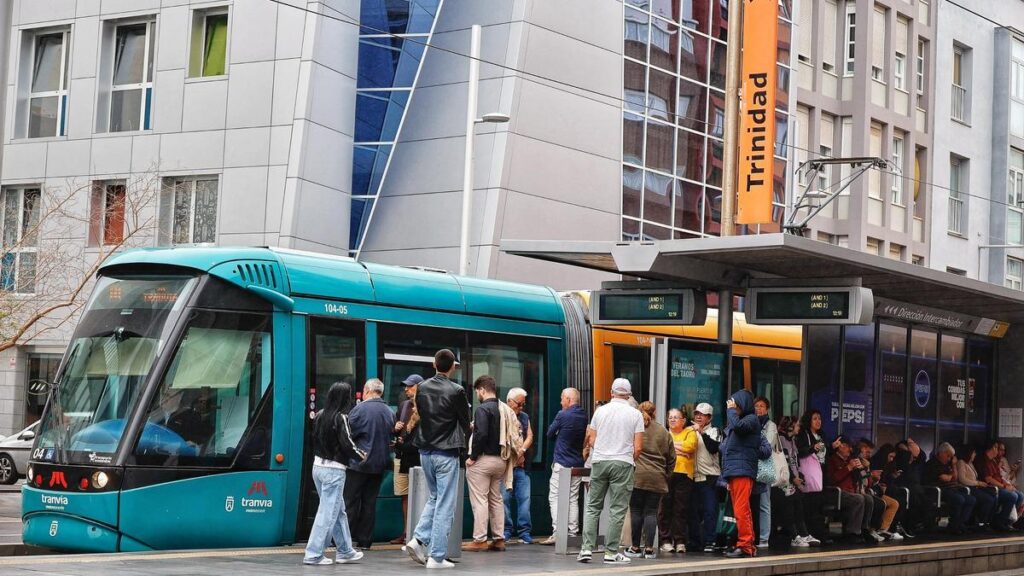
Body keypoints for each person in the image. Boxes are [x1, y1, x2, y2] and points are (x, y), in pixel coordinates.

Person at [404, 349, 471, 570]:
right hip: (446, 452)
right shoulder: (457, 390)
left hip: (425, 452)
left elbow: (420, 414)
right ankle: (437, 556)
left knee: (435, 497)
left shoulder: (421, 387)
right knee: (445, 504)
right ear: (452, 366)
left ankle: (418, 539)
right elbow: (465, 421)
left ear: (434, 364)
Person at [577, 378, 645, 565]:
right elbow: (638, 447)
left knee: (593, 507)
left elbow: (591, 439)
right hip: (623, 462)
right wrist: (628, 459)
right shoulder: (635, 414)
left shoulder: (600, 412)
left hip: (600, 461)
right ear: (629, 395)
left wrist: (602, 450)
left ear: (611, 392)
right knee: (617, 509)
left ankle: (586, 549)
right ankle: (611, 552)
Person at [303, 381, 367, 566]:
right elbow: (347, 443)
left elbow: (313, 440)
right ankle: (314, 554)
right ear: (345, 398)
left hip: (318, 467)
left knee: (337, 511)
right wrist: (360, 455)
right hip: (334, 470)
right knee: (327, 513)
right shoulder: (341, 418)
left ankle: (345, 551)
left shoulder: (320, 415)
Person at [344, 378, 396, 549]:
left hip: (358, 463)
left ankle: (347, 539)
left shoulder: (359, 409)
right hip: (379, 465)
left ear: (367, 390)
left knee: (350, 502)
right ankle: (365, 541)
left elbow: (349, 434)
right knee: (369, 503)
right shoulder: (389, 412)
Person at [464, 375, 509, 552]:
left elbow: (481, 434)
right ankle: (499, 539)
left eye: (477, 392)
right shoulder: (503, 408)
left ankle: (480, 539)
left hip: (483, 460)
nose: (478, 395)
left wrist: (472, 457)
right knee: (496, 499)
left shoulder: (482, 409)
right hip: (501, 460)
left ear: (482, 390)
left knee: (480, 500)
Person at [626, 401, 675, 559]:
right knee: (651, 513)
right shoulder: (663, 431)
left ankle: (634, 547)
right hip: (657, 478)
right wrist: (666, 475)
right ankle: (648, 549)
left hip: (637, 476)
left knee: (635, 511)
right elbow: (672, 458)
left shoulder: (634, 428)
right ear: (655, 413)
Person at [721, 389, 764, 558]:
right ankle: (746, 543)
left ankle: (746, 545)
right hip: (736, 470)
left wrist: (731, 411)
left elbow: (738, 427)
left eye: (736, 405)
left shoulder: (751, 420)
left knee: (741, 510)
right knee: (741, 509)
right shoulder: (745, 420)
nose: (734, 408)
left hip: (742, 470)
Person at [541, 387, 588, 546]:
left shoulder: (562, 415)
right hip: (577, 463)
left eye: (562, 399)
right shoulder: (583, 415)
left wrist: (559, 436)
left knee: (555, 496)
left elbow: (549, 434)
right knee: (573, 498)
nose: (561, 402)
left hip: (561, 463)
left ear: (568, 399)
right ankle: (572, 532)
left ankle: (557, 532)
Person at [826, 436, 880, 544]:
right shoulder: (832, 459)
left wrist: (862, 469)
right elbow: (832, 479)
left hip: (851, 492)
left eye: (850, 447)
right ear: (840, 447)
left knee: (868, 499)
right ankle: (852, 532)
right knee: (858, 499)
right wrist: (848, 468)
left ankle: (864, 529)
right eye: (847, 447)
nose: (849, 450)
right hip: (837, 492)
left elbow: (864, 478)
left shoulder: (851, 460)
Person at [390, 374, 423, 545]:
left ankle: (417, 533)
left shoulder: (425, 405)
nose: (406, 389)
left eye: (410, 386)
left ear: (419, 386)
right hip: (402, 457)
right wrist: (395, 430)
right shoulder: (403, 405)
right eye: (406, 386)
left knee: (420, 496)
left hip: (418, 458)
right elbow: (397, 429)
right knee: (404, 495)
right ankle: (406, 531)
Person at [658, 408, 696, 553]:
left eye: (676, 417)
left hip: (684, 475)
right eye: (670, 417)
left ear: (683, 421)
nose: (673, 420)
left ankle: (680, 541)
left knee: (680, 509)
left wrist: (673, 448)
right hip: (666, 473)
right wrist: (681, 450)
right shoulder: (664, 434)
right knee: (664, 508)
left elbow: (690, 447)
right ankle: (665, 541)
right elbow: (662, 451)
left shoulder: (690, 432)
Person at [777, 416, 817, 547]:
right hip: (785, 480)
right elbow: (784, 461)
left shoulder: (792, 441)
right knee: (790, 507)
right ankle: (795, 536)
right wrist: (793, 478)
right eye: (797, 425)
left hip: (794, 478)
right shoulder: (781, 439)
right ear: (790, 426)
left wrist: (799, 475)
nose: (799, 428)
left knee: (799, 506)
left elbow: (796, 460)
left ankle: (804, 534)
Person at [689, 402, 722, 553]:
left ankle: (710, 541)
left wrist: (701, 432)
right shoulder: (689, 430)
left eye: (702, 415)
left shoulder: (715, 431)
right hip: (693, 476)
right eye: (697, 414)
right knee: (693, 511)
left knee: (710, 510)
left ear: (709, 417)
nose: (698, 417)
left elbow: (714, 448)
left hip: (710, 477)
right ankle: (695, 541)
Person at [503, 387, 534, 544]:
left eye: (523, 404)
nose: (521, 407)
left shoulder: (524, 417)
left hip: (521, 466)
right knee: (504, 499)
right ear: (509, 402)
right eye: (519, 404)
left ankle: (524, 532)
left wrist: (522, 450)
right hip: (505, 466)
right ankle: (506, 530)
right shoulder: (502, 415)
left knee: (524, 499)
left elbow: (530, 435)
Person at [924, 442, 976, 535]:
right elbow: (945, 478)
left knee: (971, 499)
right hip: (937, 490)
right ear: (941, 453)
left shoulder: (948, 464)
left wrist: (954, 465)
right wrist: (950, 475)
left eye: (950, 457)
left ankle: (960, 524)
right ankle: (953, 526)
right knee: (959, 499)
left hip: (950, 488)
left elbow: (954, 478)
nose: (949, 459)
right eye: (948, 456)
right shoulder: (933, 463)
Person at [795, 409, 830, 544]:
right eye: (815, 418)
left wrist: (831, 446)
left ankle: (821, 533)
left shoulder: (822, 435)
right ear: (809, 420)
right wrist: (812, 448)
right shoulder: (804, 434)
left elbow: (825, 454)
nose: (818, 421)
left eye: (819, 419)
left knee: (820, 505)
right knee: (810, 504)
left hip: (821, 475)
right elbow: (800, 452)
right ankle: (812, 533)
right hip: (809, 474)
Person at [856, 439, 901, 540]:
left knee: (894, 503)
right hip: (860, 491)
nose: (869, 455)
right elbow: (859, 476)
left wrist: (875, 479)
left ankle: (882, 530)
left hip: (869, 490)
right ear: (860, 450)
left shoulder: (866, 462)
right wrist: (870, 474)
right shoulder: (856, 461)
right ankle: (868, 530)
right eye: (867, 452)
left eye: (870, 452)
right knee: (877, 502)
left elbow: (868, 481)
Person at [956, 444, 1008, 531]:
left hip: (976, 486)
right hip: (968, 488)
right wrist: (978, 483)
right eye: (973, 453)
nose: (975, 455)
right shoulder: (961, 463)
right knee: (988, 499)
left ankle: (988, 521)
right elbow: (963, 479)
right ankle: (981, 522)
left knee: (993, 495)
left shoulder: (970, 463)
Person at [979, 440, 1024, 529]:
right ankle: (1000, 521)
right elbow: (989, 479)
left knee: (1020, 495)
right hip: (991, 487)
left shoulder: (993, 461)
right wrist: (1004, 486)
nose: (997, 451)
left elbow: (999, 476)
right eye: (996, 448)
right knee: (1012, 496)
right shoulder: (983, 461)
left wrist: (1008, 485)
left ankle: (1009, 521)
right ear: (991, 449)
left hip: (1000, 484)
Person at [753, 397, 777, 549]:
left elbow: (766, 448)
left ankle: (763, 538)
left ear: (767, 409)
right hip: (751, 468)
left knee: (764, 504)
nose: (759, 409)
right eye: (756, 406)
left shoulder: (770, 426)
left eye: (762, 406)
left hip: (763, 469)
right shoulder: (751, 423)